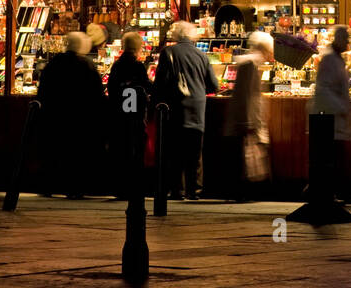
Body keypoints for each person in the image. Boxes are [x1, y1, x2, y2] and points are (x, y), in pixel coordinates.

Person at [153, 21, 219, 201]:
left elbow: (161, 83)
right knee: (195, 151)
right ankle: (195, 190)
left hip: (176, 107)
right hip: (197, 108)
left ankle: (177, 190)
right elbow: (214, 85)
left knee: (175, 150)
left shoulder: (168, 53)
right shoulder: (202, 55)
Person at [36, 31, 105, 198]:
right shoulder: (86, 65)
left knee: (55, 150)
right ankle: (74, 189)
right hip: (79, 116)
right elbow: (96, 92)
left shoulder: (54, 63)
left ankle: (47, 185)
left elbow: (43, 89)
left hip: (55, 115)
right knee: (76, 154)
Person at [223, 31, 273, 200]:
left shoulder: (248, 63)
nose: (269, 56)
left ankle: (240, 192)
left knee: (243, 157)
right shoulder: (251, 64)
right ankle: (242, 193)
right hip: (245, 119)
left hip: (243, 118)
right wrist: (251, 121)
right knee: (246, 158)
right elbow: (250, 96)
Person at [309, 26, 351, 201]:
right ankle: (327, 193)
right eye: (346, 39)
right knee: (330, 157)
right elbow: (324, 89)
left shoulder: (334, 59)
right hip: (330, 118)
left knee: (333, 157)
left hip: (333, 117)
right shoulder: (330, 60)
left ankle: (329, 192)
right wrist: (342, 107)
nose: (348, 43)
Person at [107, 32, 151, 200]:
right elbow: (145, 86)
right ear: (138, 47)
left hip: (119, 114)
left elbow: (112, 89)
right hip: (134, 114)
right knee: (134, 150)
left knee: (120, 149)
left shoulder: (117, 66)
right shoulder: (137, 66)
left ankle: (120, 187)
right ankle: (134, 186)